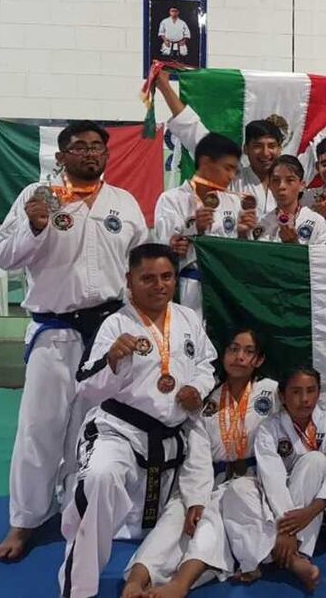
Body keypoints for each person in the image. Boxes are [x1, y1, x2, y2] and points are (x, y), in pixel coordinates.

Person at [0, 121, 149, 562]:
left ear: (106, 154)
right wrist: (35, 227)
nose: (90, 153)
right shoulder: (36, 196)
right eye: (79, 147)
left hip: (106, 331)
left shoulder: (124, 202)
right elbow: (4, 257)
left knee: (91, 427)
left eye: (97, 146)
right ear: (61, 157)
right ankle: (23, 520)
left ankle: (76, 509)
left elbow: (139, 264)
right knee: (39, 427)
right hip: (54, 331)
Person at [58, 243, 217, 598]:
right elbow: (85, 386)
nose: (159, 285)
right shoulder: (115, 323)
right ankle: (77, 591)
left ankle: (147, 575)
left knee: (184, 517)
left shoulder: (188, 318)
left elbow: (208, 363)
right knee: (99, 478)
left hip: (171, 434)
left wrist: (197, 387)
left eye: (166, 277)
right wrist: (113, 361)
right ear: (129, 280)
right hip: (120, 430)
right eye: (148, 278)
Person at [121, 329, 280, 597]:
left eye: (248, 351)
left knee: (212, 517)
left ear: (259, 360)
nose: (239, 357)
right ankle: (137, 579)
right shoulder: (207, 398)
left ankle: (180, 584)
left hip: (253, 480)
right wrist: (195, 498)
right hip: (210, 477)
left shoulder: (273, 392)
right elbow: (197, 455)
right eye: (233, 349)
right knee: (176, 514)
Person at [155, 71, 326, 215]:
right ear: (246, 149)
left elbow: (321, 141)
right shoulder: (235, 177)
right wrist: (165, 87)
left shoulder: (295, 172)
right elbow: (195, 133)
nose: (265, 152)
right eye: (257, 146)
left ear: (280, 148)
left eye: (271, 146)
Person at [250, 367, 326, 592]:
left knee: (316, 461)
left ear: (319, 392)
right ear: (282, 396)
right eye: (296, 392)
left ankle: (286, 551)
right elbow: (272, 478)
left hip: (316, 505)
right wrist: (288, 527)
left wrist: (310, 511)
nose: (304, 399)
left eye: (310, 391)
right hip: (280, 506)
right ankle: (297, 556)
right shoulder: (269, 429)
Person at [154, 133, 254, 321]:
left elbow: (237, 256)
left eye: (235, 170)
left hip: (224, 287)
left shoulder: (233, 202)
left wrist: (243, 234)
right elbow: (166, 253)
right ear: (206, 163)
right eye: (228, 168)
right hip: (189, 288)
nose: (231, 176)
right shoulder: (171, 200)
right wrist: (195, 230)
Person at [252, 156, 326, 245]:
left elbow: (318, 258)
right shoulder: (261, 222)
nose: (281, 186)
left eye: (290, 180)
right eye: (276, 180)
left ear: (302, 185)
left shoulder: (316, 221)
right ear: (270, 185)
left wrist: (293, 243)